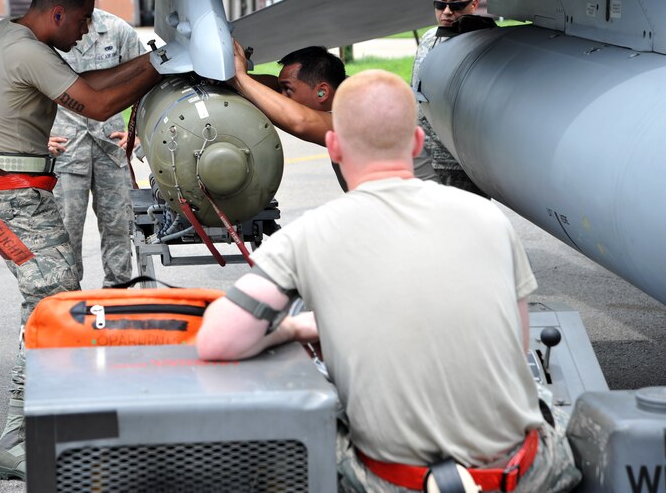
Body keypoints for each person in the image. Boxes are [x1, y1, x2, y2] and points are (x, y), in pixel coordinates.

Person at [196, 69, 581, 493]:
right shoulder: (489, 219)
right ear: (416, 142)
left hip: (396, 483)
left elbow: (219, 341)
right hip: (522, 475)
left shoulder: (309, 234)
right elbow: (516, 345)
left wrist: (293, 327)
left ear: (334, 146)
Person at [0, 0, 162, 481]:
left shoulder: (5, 34)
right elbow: (97, 103)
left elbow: (88, 85)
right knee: (51, 304)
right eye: (79, 22)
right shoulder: (28, 51)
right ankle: (15, 440)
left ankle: (48, 412)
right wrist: (163, 66)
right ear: (57, 13)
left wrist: (152, 61)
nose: (84, 32)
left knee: (54, 297)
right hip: (14, 197)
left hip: (15, 191)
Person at [47, 0, 144, 288]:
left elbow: (149, 81)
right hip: (66, 150)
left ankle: (118, 295)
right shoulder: (45, 39)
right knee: (65, 230)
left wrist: (138, 132)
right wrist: (37, 139)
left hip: (110, 148)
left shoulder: (116, 31)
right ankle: (68, 302)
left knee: (118, 226)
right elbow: (24, 93)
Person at [411, 0, 487, 195]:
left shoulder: (483, 45)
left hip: (463, 166)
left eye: (455, 6)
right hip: (425, 159)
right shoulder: (428, 39)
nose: (446, 12)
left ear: (473, 5)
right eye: (440, 4)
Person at [231, 44, 348, 188]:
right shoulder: (345, 90)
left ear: (322, 92)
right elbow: (274, 85)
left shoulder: (356, 117)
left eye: (287, 89)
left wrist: (239, 78)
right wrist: (229, 77)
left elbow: (300, 121)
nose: (282, 96)